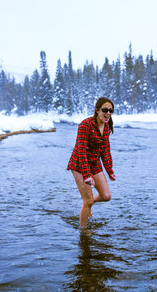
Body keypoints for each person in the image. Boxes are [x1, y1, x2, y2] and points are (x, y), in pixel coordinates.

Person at [67, 97, 116, 228]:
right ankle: (84, 232)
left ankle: (87, 203)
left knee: (106, 196)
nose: (108, 114)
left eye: (111, 111)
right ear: (97, 110)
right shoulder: (85, 125)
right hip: (79, 164)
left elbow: (105, 150)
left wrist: (109, 170)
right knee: (88, 201)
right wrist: (87, 175)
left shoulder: (106, 127)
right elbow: (81, 151)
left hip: (94, 163)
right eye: (105, 110)